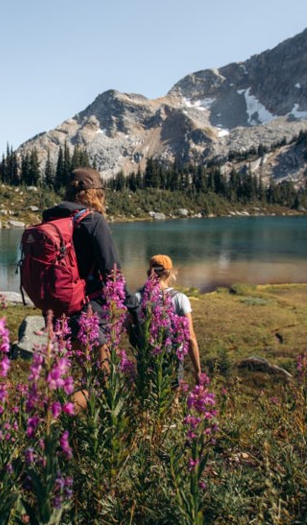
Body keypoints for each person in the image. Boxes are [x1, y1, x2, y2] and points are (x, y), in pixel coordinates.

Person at [41, 168, 135, 399]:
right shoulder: (93, 220)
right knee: (101, 386)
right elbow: (112, 271)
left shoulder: (53, 219)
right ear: (94, 193)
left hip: (58, 312)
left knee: (77, 378)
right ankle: (50, 423)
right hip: (88, 313)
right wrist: (133, 306)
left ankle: (63, 429)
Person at [133, 255, 202, 385]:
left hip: (146, 360)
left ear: (149, 272)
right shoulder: (179, 298)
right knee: (173, 398)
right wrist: (198, 371)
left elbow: (128, 328)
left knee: (147, 397)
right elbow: (190, 337)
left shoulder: (138, 297)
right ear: (169, 273)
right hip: (172, 361)